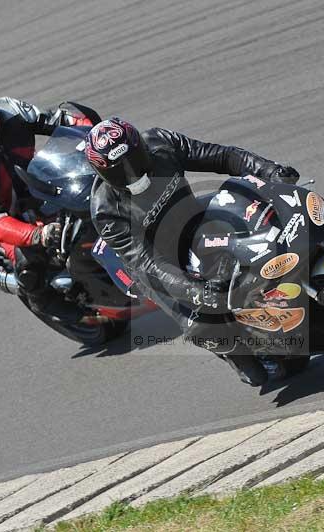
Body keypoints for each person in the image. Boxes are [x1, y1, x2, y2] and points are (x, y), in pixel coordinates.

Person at [87, 117, 301, 386]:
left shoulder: (162, 143)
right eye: (120, 170)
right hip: (159, 262)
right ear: (103, 173)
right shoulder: (106, 211)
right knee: (204, 327)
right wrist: (195, 291)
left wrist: (269, 170)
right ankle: (237, 355)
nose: (131, 172)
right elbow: (147, 263)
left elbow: (224, 157)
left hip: (192, 219)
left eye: (134, 160)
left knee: (258, 214)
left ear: (141, 145)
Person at [0, 81, 101, 321]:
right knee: (30, 262)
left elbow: (60, 120)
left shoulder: (10, 110)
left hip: (35, 183)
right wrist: (38, 235)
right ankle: (43, 301)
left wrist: (97, 134)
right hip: (4, 216)